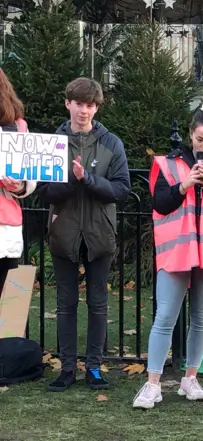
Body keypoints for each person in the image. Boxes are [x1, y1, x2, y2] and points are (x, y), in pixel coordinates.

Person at [133, 103, 203, 409]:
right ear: (190, 135)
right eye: (200, 140)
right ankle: (153, 383)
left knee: (201, 317)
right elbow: (159, 204)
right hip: (176, 250)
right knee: (165, 317)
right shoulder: (169, 165)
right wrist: (185, 185)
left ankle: (190, 378)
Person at [37, 77, 131, 392]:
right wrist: (72, 182)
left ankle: (93, 367)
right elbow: (44, 192)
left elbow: (121, 189)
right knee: (65, 303)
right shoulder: (53, 142)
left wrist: (88, 179)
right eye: (78, 103)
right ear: (68, 103)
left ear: (96, 107)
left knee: (98, 303)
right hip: (63, 232)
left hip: (99, 235)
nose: (84, 110)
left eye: (90, 105)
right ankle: (66, 369)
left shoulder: (111, 143)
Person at [0, 69, 35, 296]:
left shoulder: (17, 126)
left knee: (9, 313)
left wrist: (19, 186)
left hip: (5, 227)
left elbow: (30, 176)